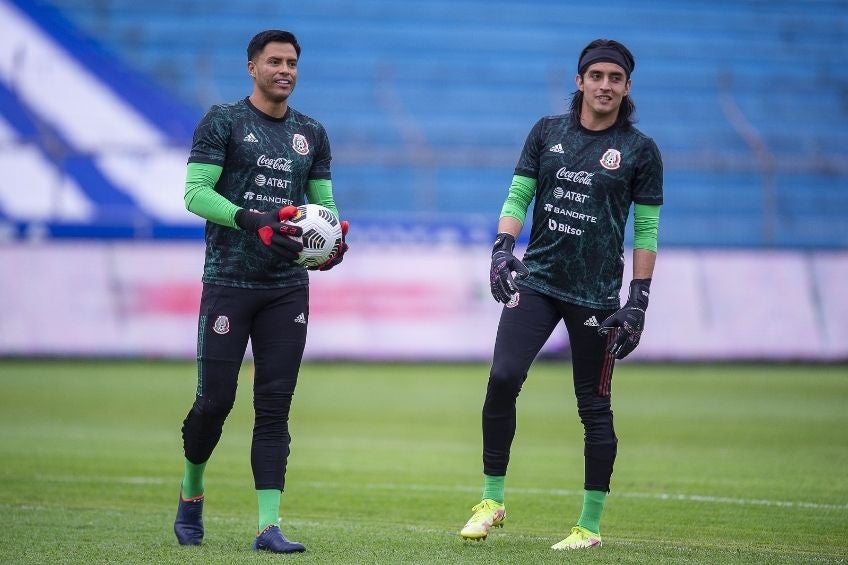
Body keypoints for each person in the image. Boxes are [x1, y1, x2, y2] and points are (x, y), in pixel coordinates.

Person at [459, 38, 663, 550]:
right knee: (503, 377)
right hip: (539, 282)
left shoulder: (640, 151)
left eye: (615, 79)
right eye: (596, 76)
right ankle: (491, 498)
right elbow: (518, 194)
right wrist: (503, 247)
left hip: (596, 297)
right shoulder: (547, 132)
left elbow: (647, 231)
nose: (605, 86)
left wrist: (638, 300)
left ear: (627, 87)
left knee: (593, 407)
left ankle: (589, 528)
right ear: (580, 81)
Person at [172, 29, 348, 554]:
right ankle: (192, 492)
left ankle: (268, 526)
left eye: (292, 62)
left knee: (274, 407)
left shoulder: (312, 133)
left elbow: (326, 207)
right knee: (215, 402)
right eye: (274, 61)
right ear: (252, 67)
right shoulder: (223, 121)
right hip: (228, 281)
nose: (285, 70)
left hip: (286, 289)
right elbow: (195, 194)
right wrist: (254, 220)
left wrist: (332, 241)